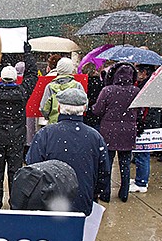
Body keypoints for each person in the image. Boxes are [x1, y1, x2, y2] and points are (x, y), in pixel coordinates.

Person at [27, 88, 111, 216]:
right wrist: (93, 192)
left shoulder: (45, 134)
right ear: (83, 109)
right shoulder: (95, 137)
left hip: (50, 201)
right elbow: (104, 172)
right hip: (82, 202)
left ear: (59, 108)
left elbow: (32, 167)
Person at [0, 42, 37, 209]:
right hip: (16, 138)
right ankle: (15, 204)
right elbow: (32, 74)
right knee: (15, 173)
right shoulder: (22, 93)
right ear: (15, 78)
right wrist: (27, 53)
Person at [90, 62, 141, 202]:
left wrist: (95, 106)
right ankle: (124, 193)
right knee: (125, 164)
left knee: (107, 163)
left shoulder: (107, 90)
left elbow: (97, 110)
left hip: (109, 131)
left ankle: (105, 193)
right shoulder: (136, 91)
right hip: (128, 131)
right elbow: (141, 111)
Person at [129, 64, 162, 193]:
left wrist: (142, 123)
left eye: (139, 71)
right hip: (149, 124)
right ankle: (140, 179)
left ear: (144, 73)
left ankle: (141, 182)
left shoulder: (147, 87)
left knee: (142, 154)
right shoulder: (151, 85)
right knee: (141, 154)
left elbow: (146, 110)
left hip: (146, 126)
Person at [39, 57, 84, 124]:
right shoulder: (78, 86)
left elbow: (44, 108)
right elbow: (84, 106)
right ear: (71, 69)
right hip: (74, 123)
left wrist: (49, 117)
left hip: (54, 123)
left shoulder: (50, 87)